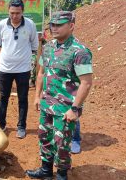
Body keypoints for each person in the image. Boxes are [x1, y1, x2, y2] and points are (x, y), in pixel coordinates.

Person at [26, 11, 93, 180]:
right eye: (52, 25)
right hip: (47, 103)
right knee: (44, 137)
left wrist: (75, 109)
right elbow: (41, 73)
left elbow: (86, 82)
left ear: (71, 26)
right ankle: (46, 170)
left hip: (65, 108)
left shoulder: (79, 52)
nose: (54, 28)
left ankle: (62, 175)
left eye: (59, 25)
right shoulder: (48, 47)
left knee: (62, 144)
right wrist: (36, 97)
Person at [0, 0, 39, 138]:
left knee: (23, 98)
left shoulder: (30, 25)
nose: (15, 16)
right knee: (3, 97)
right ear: (8, 11)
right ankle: (1, 124)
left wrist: (29, 61)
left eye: (18, 13)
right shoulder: (2, 25)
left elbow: (34, 45)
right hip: (5, 69)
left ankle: (21, 126)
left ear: (22, 12)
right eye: (12, 13)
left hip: (23, 69)